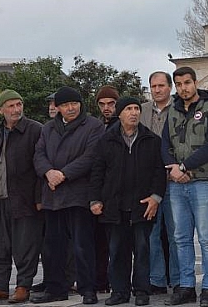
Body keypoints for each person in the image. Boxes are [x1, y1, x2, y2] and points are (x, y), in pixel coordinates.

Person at [32, 86, 105, 304]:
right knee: (52, 246)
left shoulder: (94, 126)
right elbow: (38, 154)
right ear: (58, 107)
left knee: (82, 245)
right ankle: (55, 288)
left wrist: (63, 174)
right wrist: (48, 172)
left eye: (74, 103)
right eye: (65, 105)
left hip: (78, 195)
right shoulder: (48, 128)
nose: (71, 108)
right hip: (52, 196)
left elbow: (91, 156)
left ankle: (87, 289)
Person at [90, 97, 167, 306]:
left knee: (142, 250)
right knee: (116, 252)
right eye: (128, 109)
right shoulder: (106, 140)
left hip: (142, 206)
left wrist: (155, 198)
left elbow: (159, 173)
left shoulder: (152, 140)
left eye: (136, 109)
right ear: (120, 113)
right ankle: (119, 292)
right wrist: (95, 199)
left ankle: (142, 290)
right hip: (114, 207)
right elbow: (97, 172)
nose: (133, 113)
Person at [161, 66, 208, 307]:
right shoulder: (173, 110)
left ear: (195, 83)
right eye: (179, 84)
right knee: (181, 237)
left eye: (187, 83)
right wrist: (173, 168)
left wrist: (184, 167)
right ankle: (186, 286)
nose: (183, 88)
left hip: (203, 182)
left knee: (207, 238)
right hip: (176, 184)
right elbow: (165, 143)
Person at [0, 90, 44, 303]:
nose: (16, 109)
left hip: (25, 200)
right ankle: (0, 286)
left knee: (25, 246)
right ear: (1, 109)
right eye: (10, 106)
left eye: (19, 104)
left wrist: (39, 198)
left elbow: (41, 167)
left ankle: (23, 286)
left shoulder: (36, 130)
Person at [141, 71, 179, 295]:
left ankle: (177, 279)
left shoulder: (179, 108)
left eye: (161, 85)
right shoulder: (142, 110)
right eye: (153, 86)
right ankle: (156, 280)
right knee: (151, 234)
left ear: (170, 87)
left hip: (173, 180)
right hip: (149, 183)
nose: (157, 90)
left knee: (176, 234)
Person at [94, 85, 120, 293]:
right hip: (99, 193)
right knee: (99, 241)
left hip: (117, 194)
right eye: (102, 104)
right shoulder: (96, 127)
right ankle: (102, 281)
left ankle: (115, 281)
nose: (107, 108)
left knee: (117, 243)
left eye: (111, 104)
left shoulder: (120, 127)